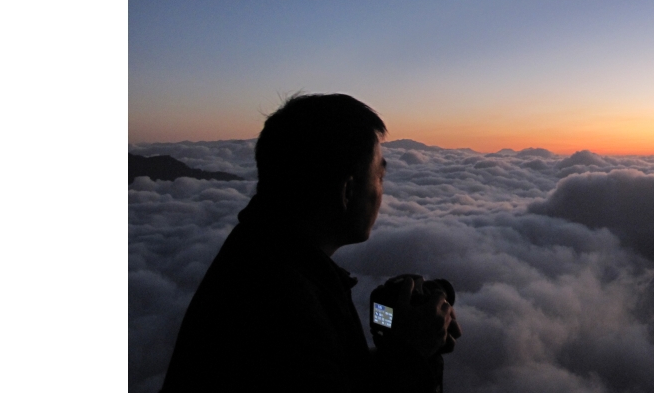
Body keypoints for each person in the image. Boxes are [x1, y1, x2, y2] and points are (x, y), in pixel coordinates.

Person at [160, 93, 460, 392]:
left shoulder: (260, 253)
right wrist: (410, 355)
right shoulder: (280, 304)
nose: (382, 192)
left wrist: (403, 349)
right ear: (347, 191)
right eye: (379, 177)